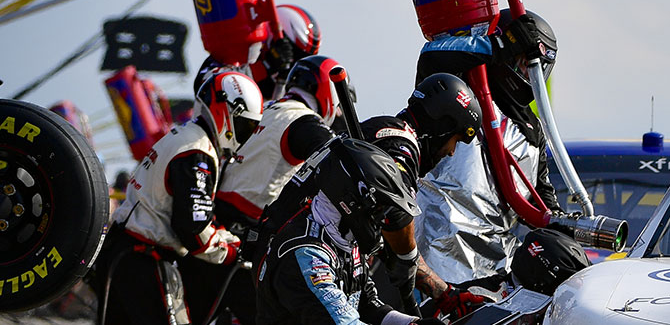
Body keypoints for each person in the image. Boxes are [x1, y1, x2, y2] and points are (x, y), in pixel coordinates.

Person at [248, 72, 489, 319]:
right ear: (443, 124)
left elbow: (371, 307)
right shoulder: (399, 145)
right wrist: (406, 260)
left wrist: (441, 295)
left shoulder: (377, 137)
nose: (451, 153)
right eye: (456, 140)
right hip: (305, 255)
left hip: (291, 260)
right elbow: (397, 216)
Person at [91, 71, 264, 325]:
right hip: (143, 259)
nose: (245, 135)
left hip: (124, 250)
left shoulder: (185, 136)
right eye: (246, 125)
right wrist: (233, 250)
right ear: (229, 113)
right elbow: (192, 229)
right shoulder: (198, 152)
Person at [188, 55, 345, 323]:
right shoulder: (305, 121)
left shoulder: (267, 106)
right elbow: (341, 165)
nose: (340, 112)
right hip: (243, 239)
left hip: (213, 225)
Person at [410, 9, 563, 285]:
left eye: (536, 68)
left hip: (496, 275)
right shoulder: (460, 93)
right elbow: (432, 54)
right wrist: (498, 45)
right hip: (430, 264)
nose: (529, 75)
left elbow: (542, 202)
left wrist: (569, 229)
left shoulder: (534, 131)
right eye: (522, 62)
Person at [254, 137, 438, 325]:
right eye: (379, 209)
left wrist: (412, 323)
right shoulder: (307, 254)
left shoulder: (342, 239)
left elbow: (368, 306)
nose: (382, 221)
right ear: (352, 202)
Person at [195, 4, 323, 100]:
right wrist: (268, 68)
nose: (292, 63)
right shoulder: (235, 56)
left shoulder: (293, 89)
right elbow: (204, 86)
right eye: (292, 53)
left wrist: (282, 80)